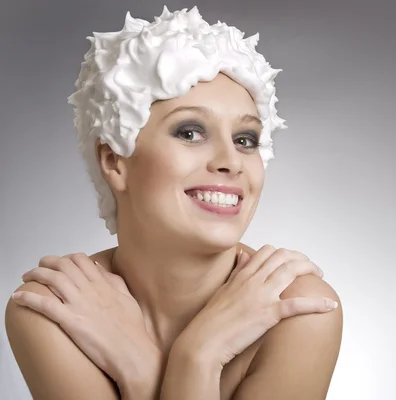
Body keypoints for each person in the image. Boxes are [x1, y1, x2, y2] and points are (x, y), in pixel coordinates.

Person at [4, 6, 342, 400]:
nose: (230, 162)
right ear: (114, 161)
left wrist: (191, 356)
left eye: (245, 140)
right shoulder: (56, 308)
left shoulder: (300, 308)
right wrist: (179, 366)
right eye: (191, 132)